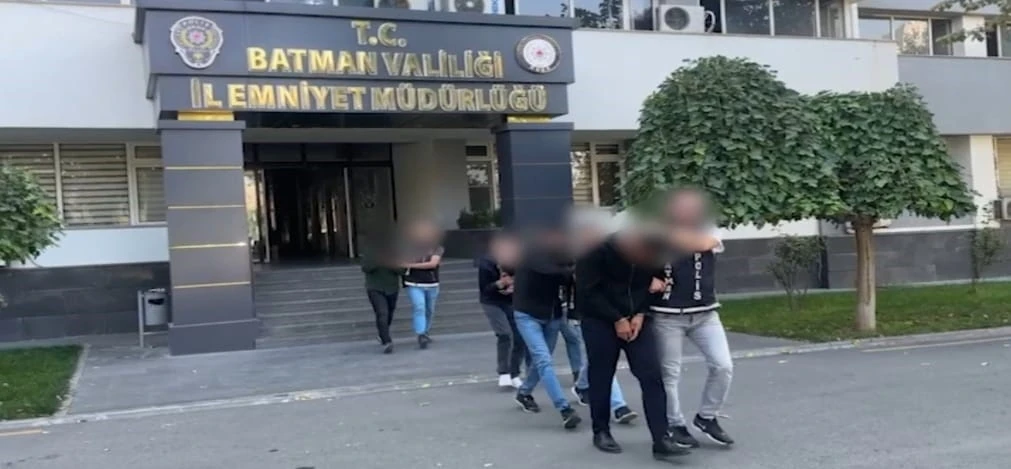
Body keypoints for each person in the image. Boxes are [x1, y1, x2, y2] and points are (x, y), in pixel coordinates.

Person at [576, 221, 688, 461]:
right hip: (599, 319)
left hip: (637, 318)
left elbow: (657, 284)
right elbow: (587, 292)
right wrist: (617, 319)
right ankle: (601, 431)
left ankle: (661, 439)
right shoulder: (595, 251)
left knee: (652, 375)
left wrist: (641, 313)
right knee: (602, 375)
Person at [650, 188, 735, 448]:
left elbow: (704, 244)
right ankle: (675, 424)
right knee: (669, 374)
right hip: (667, 315)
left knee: (723, 366)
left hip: (705, 313)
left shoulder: (707, 227)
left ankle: (707, 417)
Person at [562, 210, 639, 425]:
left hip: (607, 311)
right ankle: (619, 406)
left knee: (595, 360)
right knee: (602, 362)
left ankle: (582, 386)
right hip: (583, 313)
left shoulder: (608, 250)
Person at [512, 227, 582, 430]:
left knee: (542, 361)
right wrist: (573, 268)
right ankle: (564, 409)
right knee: (543, 360)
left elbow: (568, 279)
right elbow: (552, 271)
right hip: (527, 314)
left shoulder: (560, 256)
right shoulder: (531, 255)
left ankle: (524, 392)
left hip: (552, 314)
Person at [477, 232, 528, 389]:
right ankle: (504, 372)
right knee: (505, 333)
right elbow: (485, 290)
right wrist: (499, 284)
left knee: (519, 336)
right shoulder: (486, 263)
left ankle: (514, 373)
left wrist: (514, 285)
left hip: (511, 301)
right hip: (492, 302)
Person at [401, 220, 445, 350]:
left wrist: (410, 265)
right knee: (419, 307)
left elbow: (433, 264)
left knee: (429, 309)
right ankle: (421, 334)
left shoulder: (437, 247)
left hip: (432, 283)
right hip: (414, 282)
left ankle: (425, 331)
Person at [361, 234, 404, 354]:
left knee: (389, 313)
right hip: (375, 287)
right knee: (382, 313)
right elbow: (366, 268)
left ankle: (382, 333)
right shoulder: (369, 252)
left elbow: (402, 270)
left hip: (392, 288)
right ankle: (387, 341)